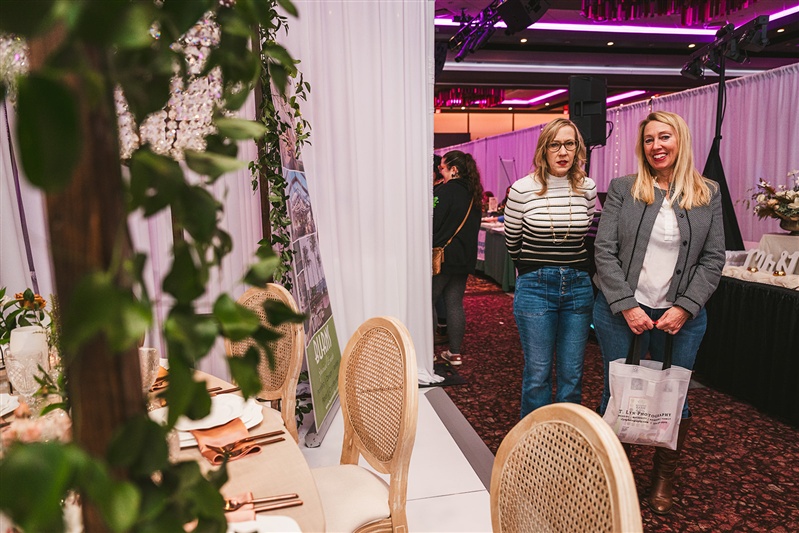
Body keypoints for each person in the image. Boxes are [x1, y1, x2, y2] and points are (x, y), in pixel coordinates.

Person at [593, 111, 725, 515]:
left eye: (664, 137)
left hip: (681, 318)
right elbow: (604, 251)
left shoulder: (707, 192)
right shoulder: (624, 188)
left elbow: (713, 258)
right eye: (649, 139)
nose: (656, 146)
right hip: (622, 312)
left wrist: (685, 307)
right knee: (616, 393)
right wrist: (627, 305)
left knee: (675, 396)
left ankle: (663, 477)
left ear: (680, 140)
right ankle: (612, 477)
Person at [503, 118, 597, 419]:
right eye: (555, 145)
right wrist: (534, 268)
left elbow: (586, 232)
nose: (563, 152)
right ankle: (535, 440)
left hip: (578, 286)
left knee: (572, 375)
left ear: (578, 149)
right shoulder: (522, 189)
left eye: (569, 144)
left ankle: (566, 438)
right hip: (536, 286)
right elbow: (512, 240)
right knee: (538, 374)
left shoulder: (587, 188)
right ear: (543, 149)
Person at [432, 150, 482, 365]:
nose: (439, 172)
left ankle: (428, 352)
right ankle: (454, 353)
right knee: (454, 303)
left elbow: (434, 223)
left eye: (442, 168)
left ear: (454, 169)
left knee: (429, 301)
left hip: (442, 257)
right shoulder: (474, 192)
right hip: (464, 258)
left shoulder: (444, 191)